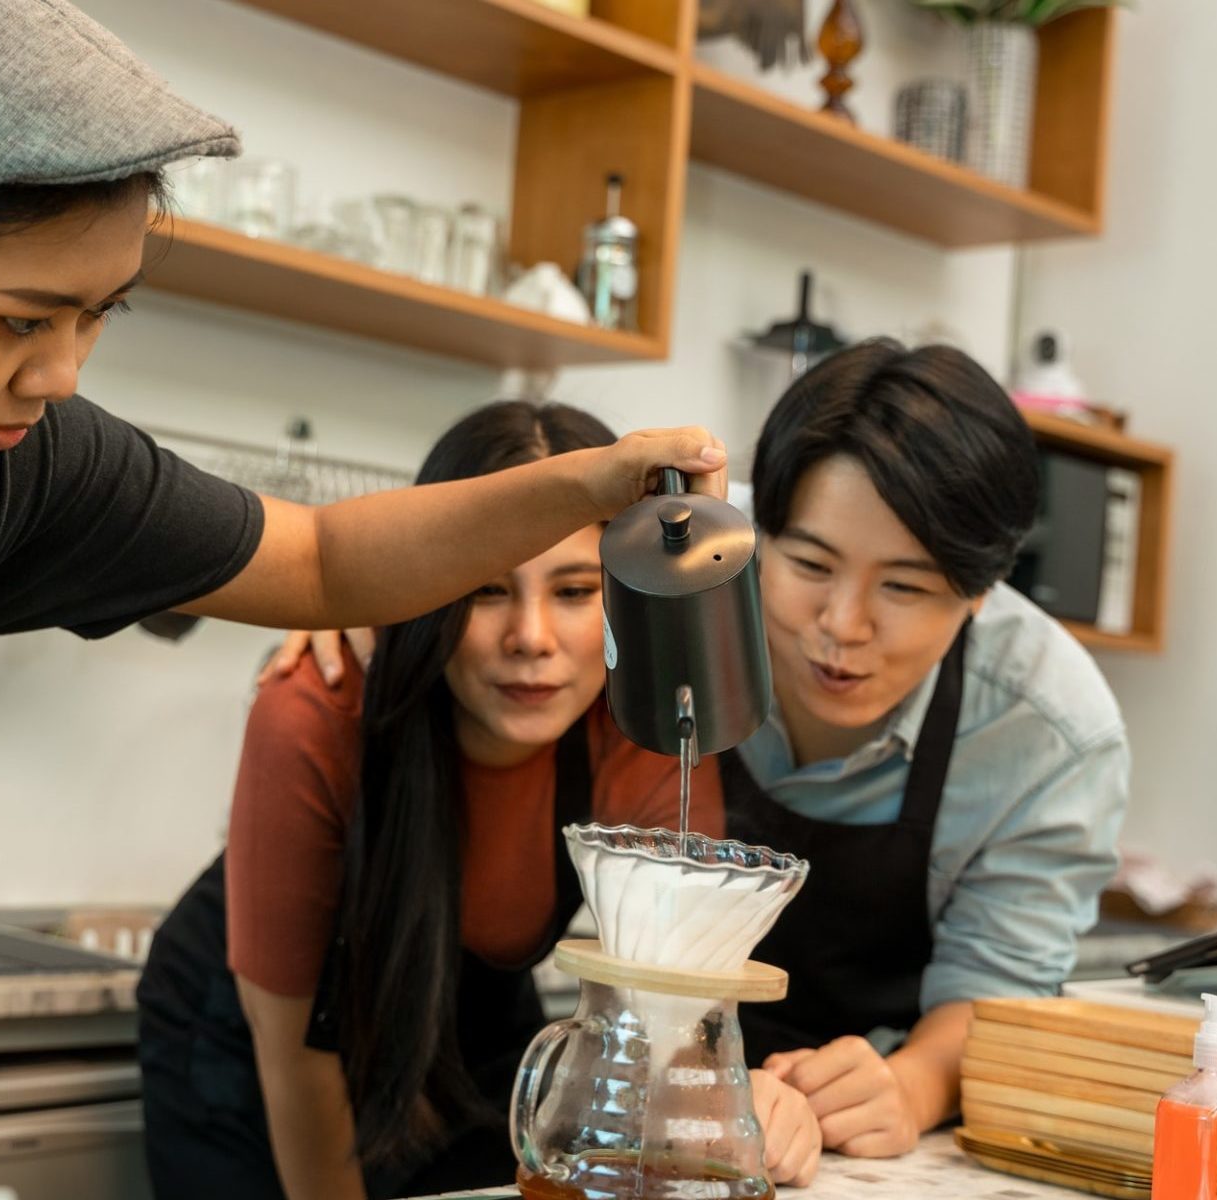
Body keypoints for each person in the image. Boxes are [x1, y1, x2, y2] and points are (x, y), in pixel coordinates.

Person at [0, 4, 730, 1196]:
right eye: (21, 318)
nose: (59, 375)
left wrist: (594, 479)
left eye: (99, 315)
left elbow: (318, 562)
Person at [277, 338, 1131, 1161]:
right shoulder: (681, 576)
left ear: (980, 593)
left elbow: (997, 992)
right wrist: (391, 599)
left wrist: (907, 1088)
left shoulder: (1050, 733)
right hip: (673, 1056)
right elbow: (537, 593)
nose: (843, 626)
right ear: (759, 532)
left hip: (854, 1094)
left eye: (904, 587)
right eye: (809, 564)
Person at [137, 401, 820, 1200]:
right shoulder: (318, 706)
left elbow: (678, 1012)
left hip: (472, 1031)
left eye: (572, 591)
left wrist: (739, 1107)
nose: (530, 637)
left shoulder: (639, 717)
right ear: (428, 583)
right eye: (486, 589)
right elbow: (294, 1058)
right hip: (258, 1043)